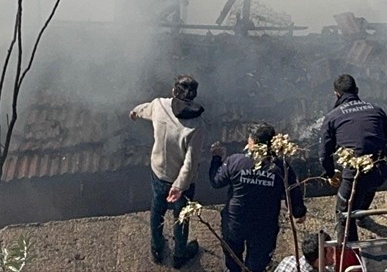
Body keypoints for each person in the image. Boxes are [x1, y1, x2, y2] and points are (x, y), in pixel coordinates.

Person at [210, 123, 306, 272]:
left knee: (232, 261)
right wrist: (298, 212)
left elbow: (216, 181)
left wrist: (216, 158)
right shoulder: (280, 168)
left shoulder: (235, 161)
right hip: (264, 227)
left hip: (235, 223)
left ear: (252, 142)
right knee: (257, 267)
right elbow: (293, 191)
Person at [131, 74, 206, 267]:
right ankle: (180, 254)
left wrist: (135, 112)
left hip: (159, 173)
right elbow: (190, 162)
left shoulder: (159, 105)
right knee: (181, 217)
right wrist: (179, 186)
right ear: (194, 96)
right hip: (182, 182)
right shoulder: (197, 125)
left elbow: (144, 110)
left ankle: (156, 248)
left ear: (174, 92)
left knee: (157, 210)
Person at [320, 73, 387, 241]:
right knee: (368, 184)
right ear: (357, 90)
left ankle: (350, 255)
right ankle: (362, 215)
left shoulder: (332, 117)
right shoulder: (375, 110)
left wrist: (330, 174)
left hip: (356, 174)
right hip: (382, 170)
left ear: (337, 94)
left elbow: (324, 154)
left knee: (343, 214)